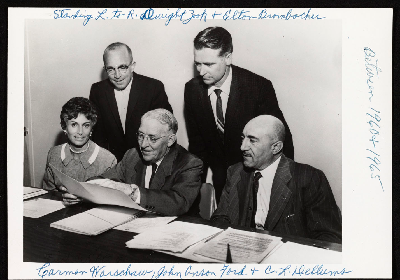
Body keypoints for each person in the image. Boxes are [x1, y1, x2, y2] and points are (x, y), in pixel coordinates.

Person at [184, 26, 294, 201]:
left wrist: (282, 189)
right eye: (198, 63)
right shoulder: (192, 90)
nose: (201, 71)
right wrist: (191, 197)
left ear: (227, 57)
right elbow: (198, 148)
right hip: (222, 183)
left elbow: (281, 140)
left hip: (257, 180)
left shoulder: (258, 87)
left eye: (209, 64)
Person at [211, 115, 342, 243]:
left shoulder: (309, 178)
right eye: (243, 138)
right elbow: (221, 218)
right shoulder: (235, 172)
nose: (243, 147)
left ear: (276, 147)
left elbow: (329, 237)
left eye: (252, 140)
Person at [62, 109, 203, 216]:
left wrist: (132, 192)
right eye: (141, 136)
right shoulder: (132, 155)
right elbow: (103, 180)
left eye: (152, 138)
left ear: (170, 140)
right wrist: (81, 192)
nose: (143, 144)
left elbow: (179, 203)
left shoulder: (189, 163)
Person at [89, 42, 172, 162]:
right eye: (111, 69)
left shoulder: (153, 88)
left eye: (122, 67)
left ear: (132, 66)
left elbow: (166, 133)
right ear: (105, 69)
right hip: (113, 163)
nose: (117, 75)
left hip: (147, 162)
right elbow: (98, 136)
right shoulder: (98, 91)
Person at [42, 97, 116, 190]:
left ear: (91, 129)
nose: (80, 131)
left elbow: (111, 199)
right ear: (64, 127)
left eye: (86, 125)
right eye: (74, 124)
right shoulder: (54, 154)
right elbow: (48, 194)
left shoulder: (108, 160)